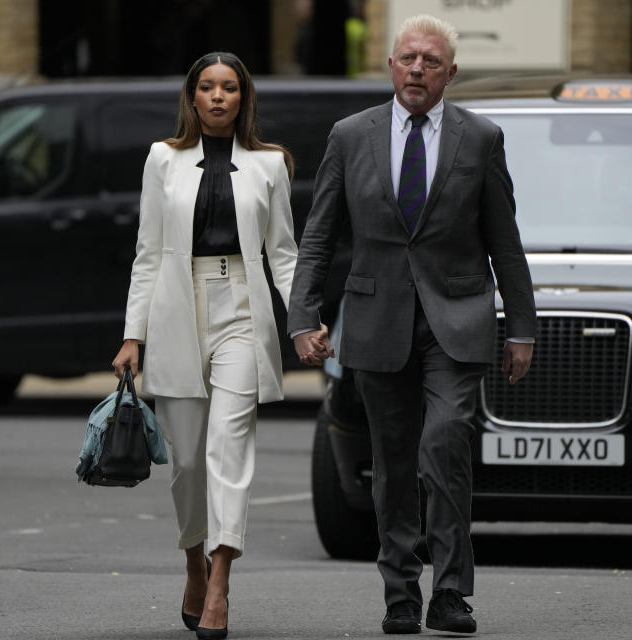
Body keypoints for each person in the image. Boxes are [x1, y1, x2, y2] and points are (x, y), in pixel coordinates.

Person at [288, 14, 536, 635]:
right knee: (393, 461)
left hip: (458, 316)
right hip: (376, 318)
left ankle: (450, 590)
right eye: (407, 59)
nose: (417, 69)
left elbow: (505, 242)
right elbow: (318, 236)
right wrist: (302, 316)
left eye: (430, 60)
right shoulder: (351, 135)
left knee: (444, 441)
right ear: (390, 67)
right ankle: (400, 590)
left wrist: (521, 328)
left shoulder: (480, 138)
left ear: (450, 72)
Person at [112, 51, 330, 640]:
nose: (216, 97)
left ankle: (220, 584)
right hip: (176, 308)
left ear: (243, 97)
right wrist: (134, 336)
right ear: (191, 96)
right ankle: (193, 560)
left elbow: (284, 253)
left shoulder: (270, 164)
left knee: (228, 451)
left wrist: (304, 319)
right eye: (206, 87)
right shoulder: (163, 158)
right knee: (185, 462)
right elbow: (149, 253)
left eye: (228, 87)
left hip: (242, 305)